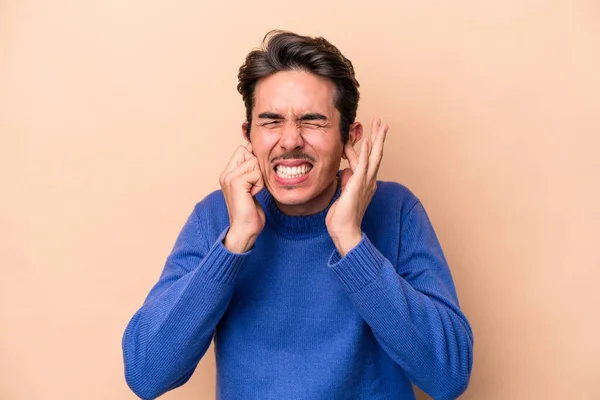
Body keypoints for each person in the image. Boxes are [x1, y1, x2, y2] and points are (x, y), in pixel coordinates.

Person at [122, 30, 473, 400]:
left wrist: (351, 241)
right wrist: (235, 242)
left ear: (348, 139)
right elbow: (147, 374)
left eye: (313, 120)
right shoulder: (216, 216)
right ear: (249, 136)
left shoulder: (396, 210)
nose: (289, 141)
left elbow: (448, 376)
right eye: (271, 121)